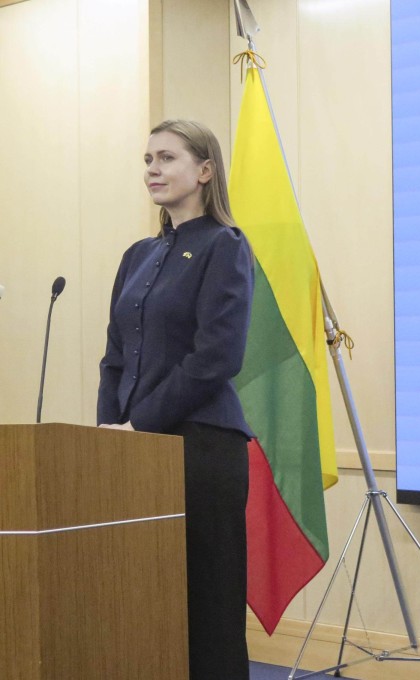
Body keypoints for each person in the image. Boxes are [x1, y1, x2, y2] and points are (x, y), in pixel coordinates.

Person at [98, 119, 253, 678]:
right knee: (139, 599)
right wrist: (110, 436)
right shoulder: (136, 255)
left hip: (203, 449)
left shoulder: (224, 245)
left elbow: (216, 358)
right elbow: (115, 358)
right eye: (146, 160)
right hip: (135, 450)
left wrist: (140, 426)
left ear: (205, 171)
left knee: (206, 606)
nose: (153, 170)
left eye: (166, 158)